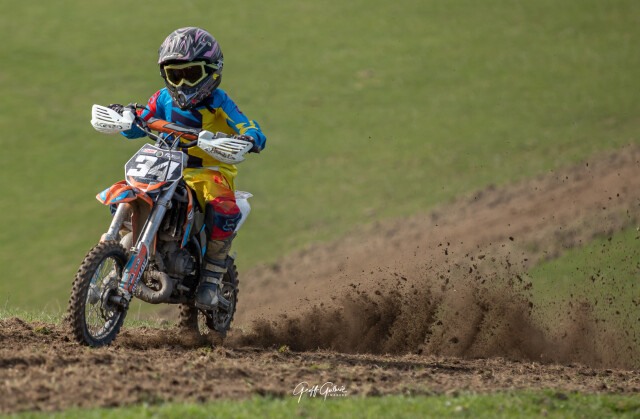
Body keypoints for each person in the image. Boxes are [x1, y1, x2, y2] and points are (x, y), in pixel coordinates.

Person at [119, 27, 266, 310]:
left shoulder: (219, 102)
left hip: (209, 171)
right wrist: (128, 117)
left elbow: (248, 126)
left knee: (224, 209)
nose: (183, 83)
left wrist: (250, 138)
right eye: (175, 75)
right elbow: (140, 123)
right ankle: (121, 246)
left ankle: (211, 279)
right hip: (165, 166)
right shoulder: (162, 98)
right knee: (130, 189)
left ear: (212, 71)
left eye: (191, 74)